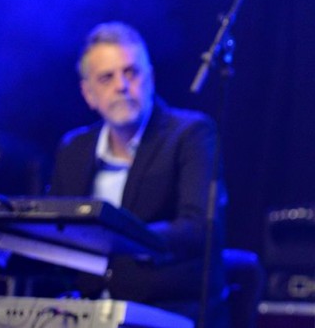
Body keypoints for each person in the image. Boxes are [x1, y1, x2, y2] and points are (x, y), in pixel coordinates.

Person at [49, 22, 226, 325]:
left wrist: (116, 240)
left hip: (165, 311)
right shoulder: (74, 148)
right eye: (107, 77)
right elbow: (57, 233)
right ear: (88, 93)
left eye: (131, 72)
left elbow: (199, 228)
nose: (121, 85)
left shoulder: (192, 134)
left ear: (151, 79)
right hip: (86, 312)